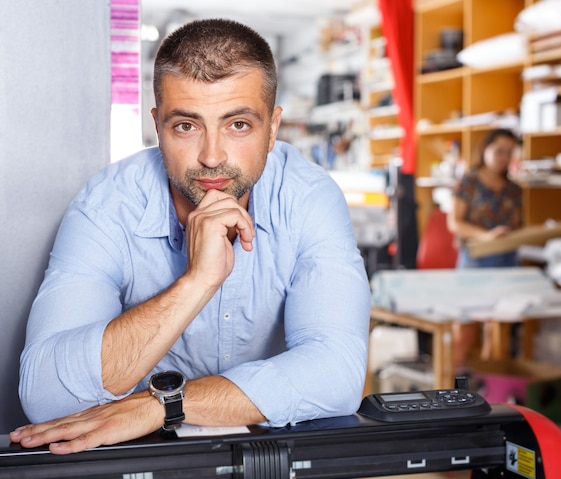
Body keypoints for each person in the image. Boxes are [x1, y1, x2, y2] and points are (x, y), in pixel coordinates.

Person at [10, 18, 370, 454]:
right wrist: (196, 282)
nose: (212, 156)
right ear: (158, 126)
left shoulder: (309, 197)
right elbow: (47, 396)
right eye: (187, 126)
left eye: (238, 125)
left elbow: (336, 373)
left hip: (271, 458)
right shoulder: (107, 206)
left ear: (273, 129)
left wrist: (164, 404)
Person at [446, 128, 523, 365]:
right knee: (465, 328)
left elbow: (518, 224)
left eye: (509, 152)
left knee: (498, 330)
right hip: (476, 258)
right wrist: (486, 236)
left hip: (506, 259)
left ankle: (492, 391)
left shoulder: (514, 189)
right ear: (486, 149)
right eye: (499, 151)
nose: (504, 157)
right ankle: (448, 389)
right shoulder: (469, 182)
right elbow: (454, 222)